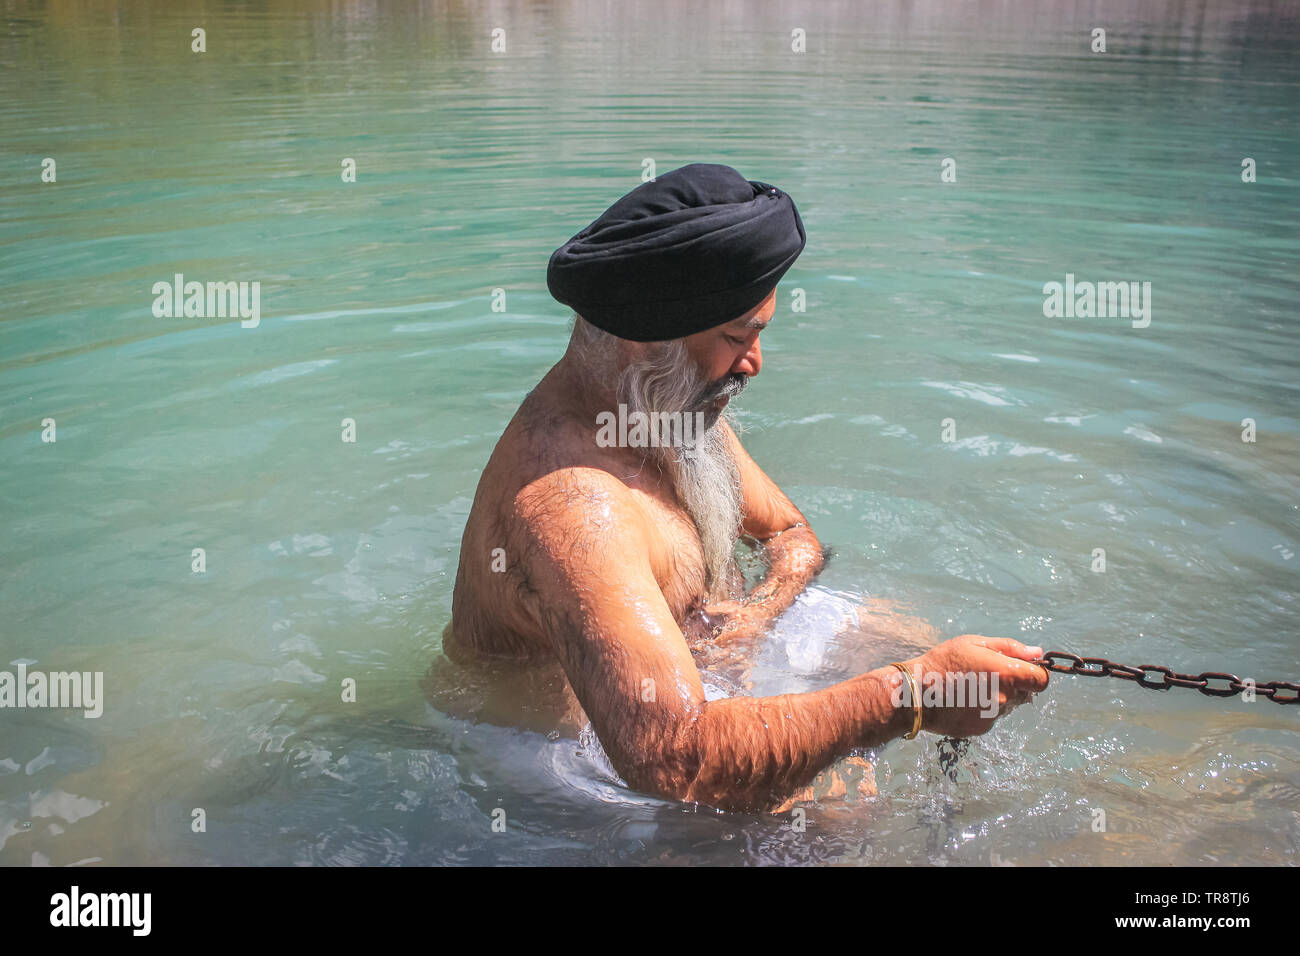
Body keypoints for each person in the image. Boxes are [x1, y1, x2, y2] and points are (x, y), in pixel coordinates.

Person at [442, 163, 1048, 813]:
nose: (755, 363)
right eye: (738, 338)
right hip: (579, 762)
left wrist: (754, 621)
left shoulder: (668, 409)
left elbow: (790, 534)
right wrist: (907, 696)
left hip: (701, 675)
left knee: (903, 635)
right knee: (831, 821)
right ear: (647, 340)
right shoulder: (573, 509)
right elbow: (674, 763)